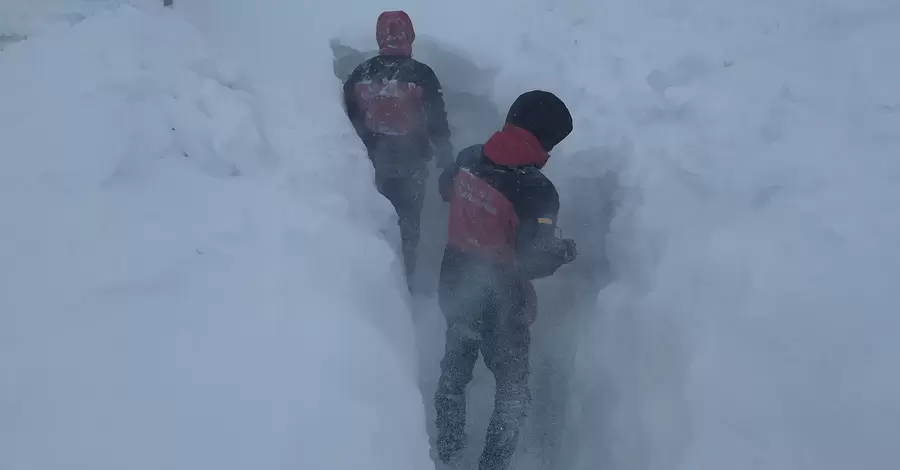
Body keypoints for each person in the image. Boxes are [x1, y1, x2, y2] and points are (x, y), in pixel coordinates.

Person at [433, 90, 578, 469]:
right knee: (512, 393)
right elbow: (534, 262)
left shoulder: (470, 157)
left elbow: (444, 188)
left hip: (454, 285)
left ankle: (446, 451)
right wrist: (564, 251)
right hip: (503, 305)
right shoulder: (537, 191)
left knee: (453, 374)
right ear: (544, 142)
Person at [343, 10, 453, 280]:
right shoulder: (422, 75)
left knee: (373, 225)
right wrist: (446, 162)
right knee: (407, 227)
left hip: (370, 167)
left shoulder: (361, 73)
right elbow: (438, 122)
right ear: (410, 36)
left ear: (380, 37)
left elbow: (347, 118)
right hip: (411, 167)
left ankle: (375, 280)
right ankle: (404, 280)